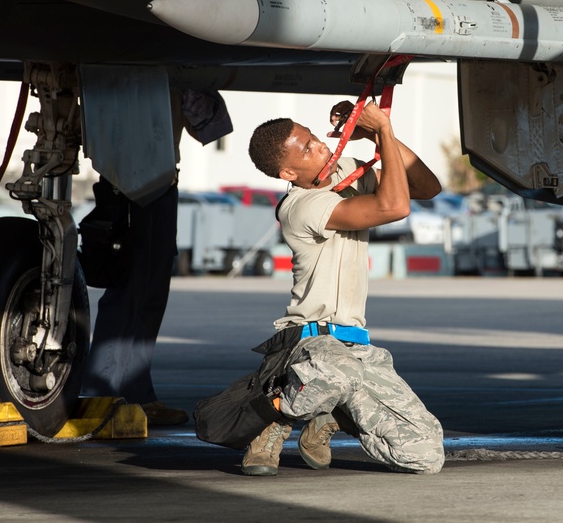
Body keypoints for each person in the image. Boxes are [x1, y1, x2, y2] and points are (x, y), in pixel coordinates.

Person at [243, 98, 445, 476]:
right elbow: (394, 208)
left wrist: (373, 135)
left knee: (426, 455)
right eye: (307, 149)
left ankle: (328, 409)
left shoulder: (346, 174)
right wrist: (383, 129)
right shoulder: (301, 207)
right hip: (309, 342)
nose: (321, 146)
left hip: (356, 346)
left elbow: (426, 186)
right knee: (335, 372)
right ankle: (271, 414)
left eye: (316, 138)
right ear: (288, 171)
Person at [81, 88, 232, 426]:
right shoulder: (132, 68)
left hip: (161, 182)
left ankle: (135, 392)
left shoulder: (179, 70)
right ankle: (100, 393)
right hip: (127, 183)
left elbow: (209, 125)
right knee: (129, 290)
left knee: (150, 293)